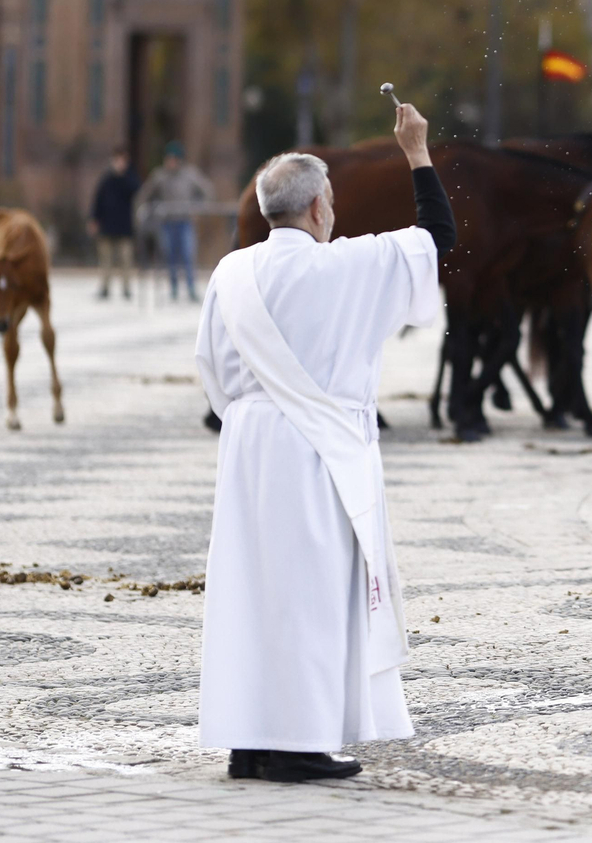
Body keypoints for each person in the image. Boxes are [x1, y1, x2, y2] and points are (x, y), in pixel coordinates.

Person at [193, 104, 456, 782]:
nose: (334, 212)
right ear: (315, 210)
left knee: (252, 595)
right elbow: (438, 236)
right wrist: (417, 153)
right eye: (331, 201)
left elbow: (214, 379)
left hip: (248, 448)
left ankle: (250, 742)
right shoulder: (346, 267)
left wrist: (255, 415)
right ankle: (300, 746)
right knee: (309, 594)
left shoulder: (231, 275)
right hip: (316, 453)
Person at [140, 141, 214, 301]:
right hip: (167, 222)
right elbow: (146, 195)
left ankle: (191, 288)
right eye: (169, 159)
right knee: (170, 256)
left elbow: (207, 191)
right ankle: (173, 288)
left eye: (174, 159)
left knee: (188, 256)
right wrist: (154, 209)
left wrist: (197, 208)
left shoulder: (190, 175)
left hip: (185, 222)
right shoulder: (159, 176)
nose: (171, 162)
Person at [88, 146, 139, 300]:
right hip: (107, 226)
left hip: (125, 227)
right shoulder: (106, 179)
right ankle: (104, 287)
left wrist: (124, 175)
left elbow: (137, 190)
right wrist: (94, 219)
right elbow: (98, 200)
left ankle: (126, 288)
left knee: (126, 259)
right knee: (105, 259)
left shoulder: (130, 178)